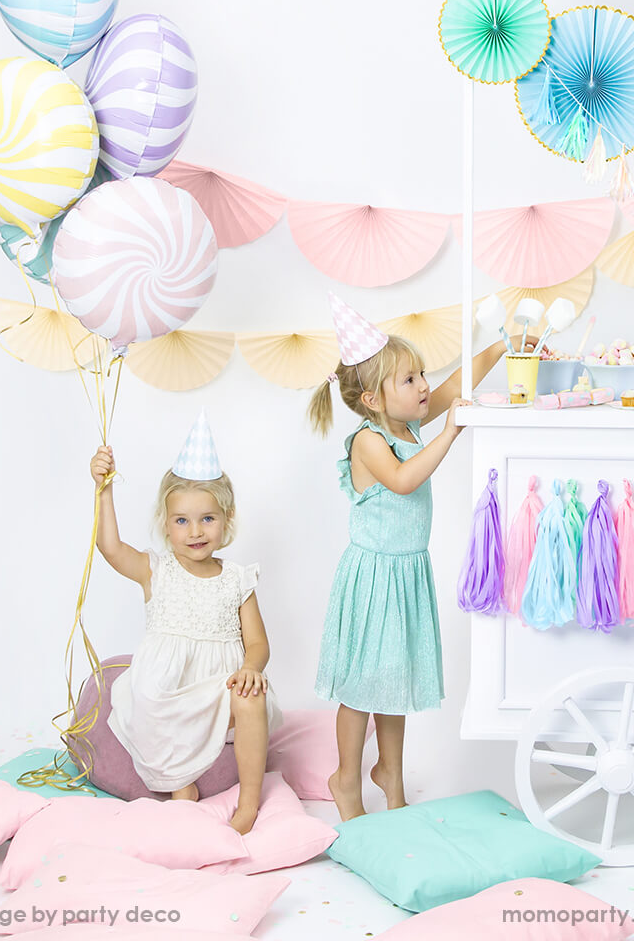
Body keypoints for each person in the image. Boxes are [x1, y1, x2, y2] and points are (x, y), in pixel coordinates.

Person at [309, 292, 528, 821]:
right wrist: (451, 431)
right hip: (374, 577)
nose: (425, 386)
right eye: (409, 379)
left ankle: (391, 775)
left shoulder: (407, 425)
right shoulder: (368, 441)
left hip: (406, 573)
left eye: (420, 374)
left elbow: (456, 386)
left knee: (393, 682)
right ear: (373, 399)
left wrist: (504, 346)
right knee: (362, 687)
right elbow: (404, 480)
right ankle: (345, 778)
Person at [90, 410, 282, 834]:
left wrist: (251, 669)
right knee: (146, 695)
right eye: (182, 521)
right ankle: (180, 783)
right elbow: (110, 547)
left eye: (207, 519)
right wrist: (103, 490)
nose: (195, 531)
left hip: (218, 689)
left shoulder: (237, 579)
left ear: (227, 519)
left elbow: (258, 643)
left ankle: (248, 804)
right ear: (166, 524)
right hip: (167, 690)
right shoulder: (155, 570)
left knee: (251, 698)